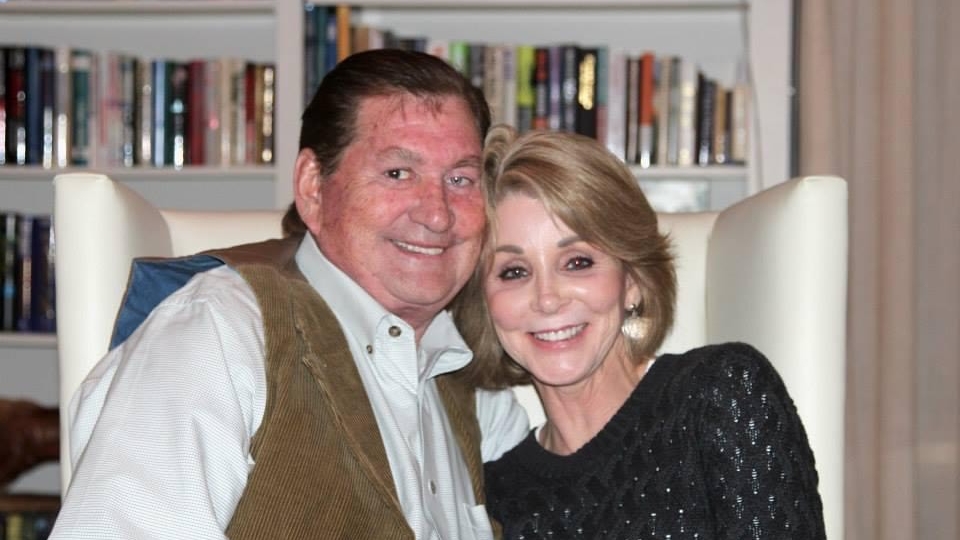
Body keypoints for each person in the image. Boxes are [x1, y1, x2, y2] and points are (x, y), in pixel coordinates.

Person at [50, 50, 529, 540]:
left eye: (460, 179)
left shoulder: (469, 383)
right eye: (397, 173)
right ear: (313, 188)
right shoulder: (219, 330)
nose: (437, 214)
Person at [453, 125, 826, 539]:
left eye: (577, 262)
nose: (547, 299)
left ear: (632, 280)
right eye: (514, 272)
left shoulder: (721, 394)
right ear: (485, 303)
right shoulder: (497, 497)